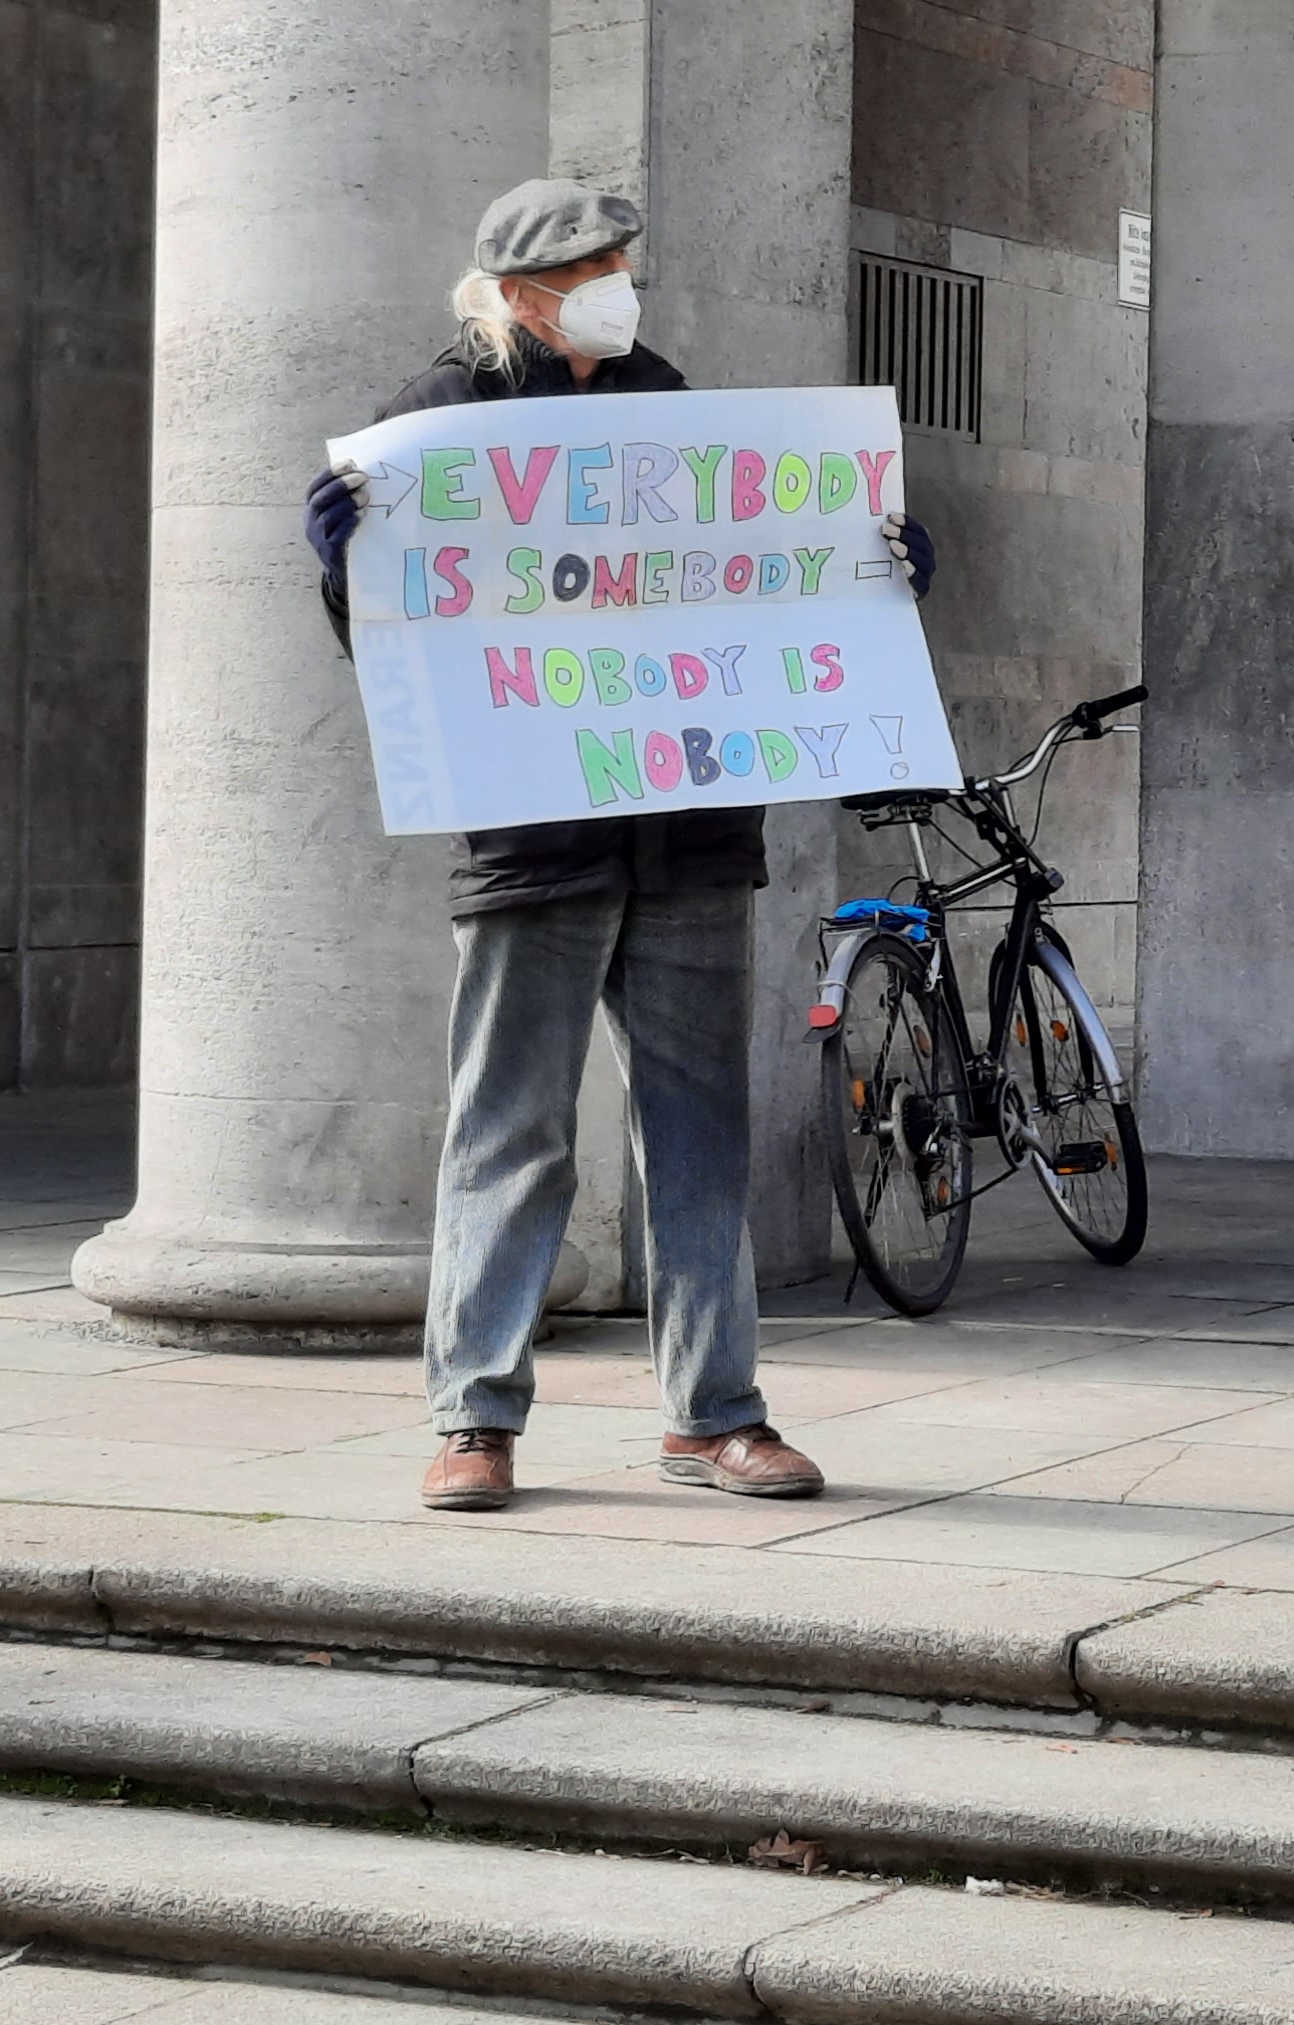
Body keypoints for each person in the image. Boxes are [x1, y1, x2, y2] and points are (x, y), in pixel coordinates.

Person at [304, 180, 931, 1516]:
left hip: (693, 832)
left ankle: (717, 1420)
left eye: (622, 262)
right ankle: (473, 1417)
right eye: (591, 267)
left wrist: (873, 565)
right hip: (537, 839)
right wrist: (345, 568)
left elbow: (754, 591)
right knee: (510, 1132)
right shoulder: (440, 424)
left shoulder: (681, 413)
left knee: (700, 1135)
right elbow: (408, 649)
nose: (618, 283)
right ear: (519, 294)